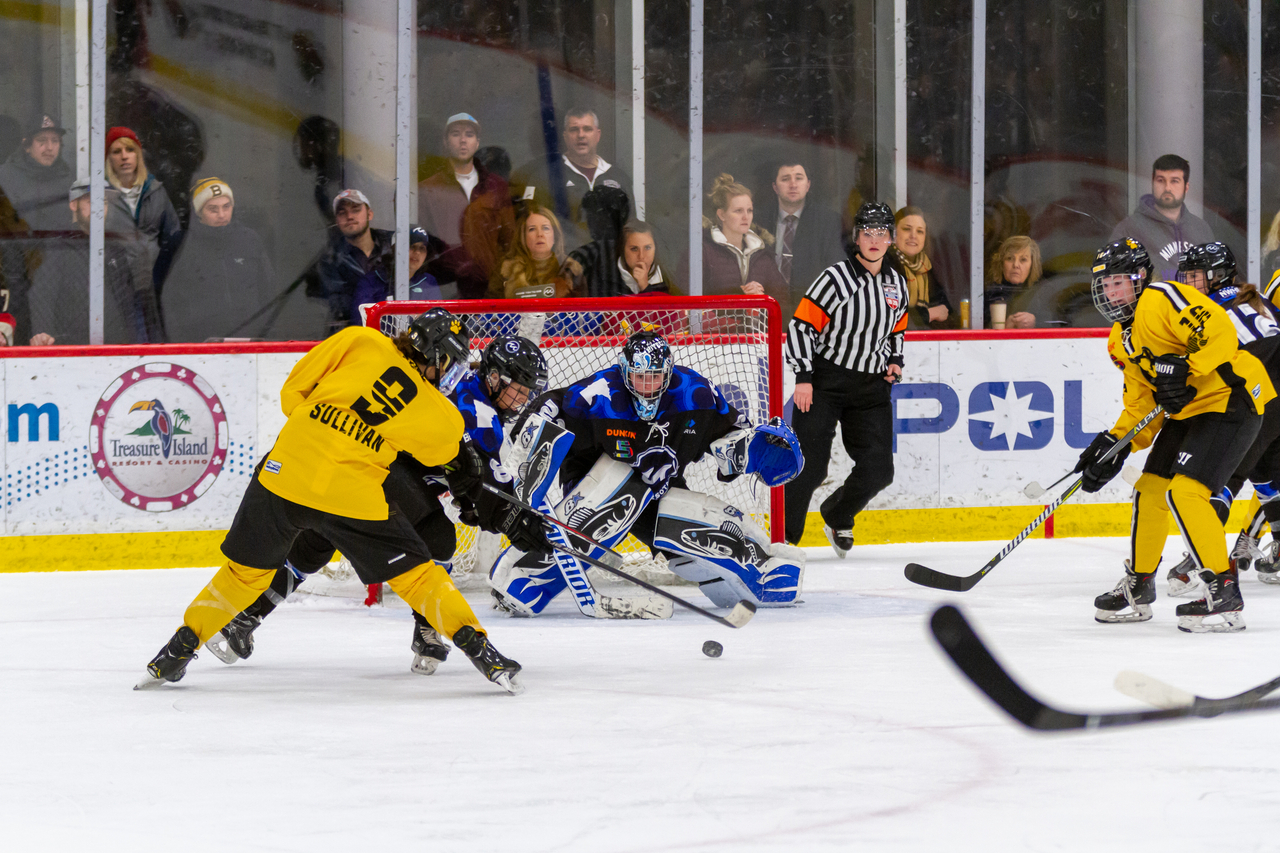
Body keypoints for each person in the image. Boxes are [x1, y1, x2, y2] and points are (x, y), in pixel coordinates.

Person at [136, 310, 527, 694]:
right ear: (439, 358)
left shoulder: (360, 340)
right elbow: (440, 453)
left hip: (282, 471)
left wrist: (324, 427)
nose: (451, 377)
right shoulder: (440, 413)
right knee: (419, 576)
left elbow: (293, 395)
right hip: (350, 495)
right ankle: (482, 652)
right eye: (452, 368)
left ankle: (175, 652)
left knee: (241, 576)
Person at [490, 330, 806, 618]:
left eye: (655, 378)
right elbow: (553, 405)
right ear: (624, 373)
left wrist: (752, 449)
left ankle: (758, 571)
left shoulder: (695, 394)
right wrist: (529, 439)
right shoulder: (602, 393)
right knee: (614, 496)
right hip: (595, 476)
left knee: (690, 533)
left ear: (668, 374)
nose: (648, 387)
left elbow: (732, 434)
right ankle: (526, 576)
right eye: (640, 378)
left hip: (658, 486)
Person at [1078, 239, 1274, 633]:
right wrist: (1114, 445)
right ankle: (1139, 585)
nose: (1112, 292)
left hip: (1232, 399)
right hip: (1193, 412)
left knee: (1185, 492)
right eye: (1106, 286)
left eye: (1118, 282)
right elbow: (1141, 407)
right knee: (1150, 488)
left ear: (1139, 279)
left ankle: (1224, 596)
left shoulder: (1162, 298)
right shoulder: (1120, 339)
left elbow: (1216, 329)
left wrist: (1185, 366)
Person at [783, 201, 908, 554]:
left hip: (870, 387)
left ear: (890, 239)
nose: (873, 239)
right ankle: (785, 541)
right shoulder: (834, 279)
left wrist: (895, 360)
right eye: (867, 232)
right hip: (824, 382)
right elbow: (802, 327)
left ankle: (837, 513)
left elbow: (897, 327)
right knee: (809, 467)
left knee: (880, 470)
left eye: (881, 232)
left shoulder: (897, 284)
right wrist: (803, 376)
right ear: (856, 237)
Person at [1160, 243, 1280, 593]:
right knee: (1268, 473)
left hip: (1262, 395)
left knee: (1223, 475)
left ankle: (1200, 560)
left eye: (1195, 275)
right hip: (1275, 392)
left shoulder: (1212, 307)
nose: (1189, 282)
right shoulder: (1250, 298)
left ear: (1217, 275)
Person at [26, 180, 163, 345]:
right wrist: (42, 333)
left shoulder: (115, 249)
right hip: (69, 349)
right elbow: (44, 295)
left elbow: (128, 304)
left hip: (114, 349)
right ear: (73, 205)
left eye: (103, 202)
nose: (99, 208)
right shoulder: (58, 247)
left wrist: (133, 343)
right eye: (91, 201)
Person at [161, 178, 275, 342]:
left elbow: (268, 289)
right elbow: (172, 301)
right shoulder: (183, 245)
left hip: (251, 340)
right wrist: (183, 345)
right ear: (199, 211)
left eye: (226, 207)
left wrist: (267, 334)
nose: (221, 215)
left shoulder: (249, 240)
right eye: (213, 209)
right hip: (201, 345)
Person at [419, 113, 515, 300]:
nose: (463, 140)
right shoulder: (428, 189)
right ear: (446, 142)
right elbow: (425, 246)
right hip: (447, 290)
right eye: (455, 134)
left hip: (493, 292)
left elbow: (509, 241)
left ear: (477, 142)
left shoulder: (497, 187)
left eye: (469, 134)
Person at [513, 108, 633, 251]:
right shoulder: (544, 177)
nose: (581, 135)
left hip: (609, 267)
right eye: (574, 130)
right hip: (563, 267)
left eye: (587, 129)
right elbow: (527, 228)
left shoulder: (618, 177)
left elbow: (631, 228)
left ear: (598, 135)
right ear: (565, 136)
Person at [756, 161, 845, 318]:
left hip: (814, 312)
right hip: (766, 312)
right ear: (775, 187)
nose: (793, 184)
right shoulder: (758, 220)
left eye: (799, 178)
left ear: (808, 185)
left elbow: (836, 271)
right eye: (785, 179)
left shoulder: (829, 222)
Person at [1110, 154, 1214, 282]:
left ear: (1186, 187)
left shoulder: (1201, 229)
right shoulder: (1128, 229)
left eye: (1174, 181)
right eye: (1160, 180)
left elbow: (1212, 280)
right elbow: (1114, 282)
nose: (1167, 188)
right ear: (1152, 183)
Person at [104, 126, 182, 291]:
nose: (124, 156)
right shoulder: (99, 195)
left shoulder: (155, 190)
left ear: (138, 155)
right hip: (111, 286)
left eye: (130, 149)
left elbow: (173, 236)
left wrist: (160, 274)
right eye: (116, 151)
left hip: (150, 285)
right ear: (108, 158)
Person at [697, 173, 787, 305]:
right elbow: (685, 300)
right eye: (738, 211)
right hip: (717, 326)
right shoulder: (701, 251)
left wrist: (762, 298)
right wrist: (741, 296)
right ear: (721, 214)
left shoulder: (762, 253)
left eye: (749, 210)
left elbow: (784, 302)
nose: (746, 217)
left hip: (756, 326)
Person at [317, 188, 394, 334]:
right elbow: (341, 307)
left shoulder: (395, 246)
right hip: (352, 339)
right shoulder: (330, 261)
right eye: (342, 212)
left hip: (395, 336)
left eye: (356, 209)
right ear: (336, 221)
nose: (349, 216)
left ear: (369, 214)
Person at [563, 219, 672, 298]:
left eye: (647, 248)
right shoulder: (604, 276)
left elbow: (662, 320)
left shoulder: (662, 278)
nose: (641, 256)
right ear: (622, 250)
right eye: (634, 249)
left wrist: (645, 287)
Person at [0, 114, 73, 231]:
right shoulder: (4, 178)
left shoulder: (67, 180)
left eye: (55, 141)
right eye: (41, 140)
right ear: (26, 146)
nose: (49, 147)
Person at [350, 225, 442, 317]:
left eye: (422, 248)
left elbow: (437, 321)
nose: (417, 252)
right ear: (395, 249)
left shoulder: (429, 281)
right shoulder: (371, 281)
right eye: (411, 246)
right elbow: (361, 321)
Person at [488, 204, 571, 299]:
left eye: (545, 228)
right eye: (532, 229)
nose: (540, 234)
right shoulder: (506, 269)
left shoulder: (570, 268)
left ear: (555, 235)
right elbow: (488, 309)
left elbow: (584, 310)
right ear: (523, 236)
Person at [893, 206, 952, 330]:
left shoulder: (925, 267)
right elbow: (891, 316)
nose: (913, 236)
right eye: (906, 229)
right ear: (894, 233)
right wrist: (930, 314)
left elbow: (946, 309)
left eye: (920, 231)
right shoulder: (887, 265)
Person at [984, 235, 1043, 329]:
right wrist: (1004, 328)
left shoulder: (1043, 291)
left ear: (1032, 265)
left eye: (1023, 259)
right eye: (1009, 258)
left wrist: (1036, 322)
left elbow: (1061, 322)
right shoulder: (989, 296)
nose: (1016, 265)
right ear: (1001, 264)